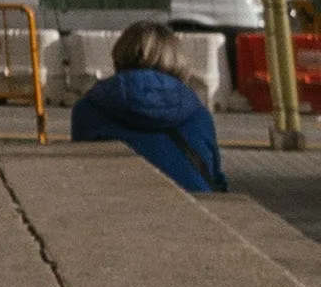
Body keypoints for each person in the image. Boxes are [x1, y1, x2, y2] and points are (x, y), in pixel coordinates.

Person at [70, 27, 230, 195]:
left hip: (113, 206)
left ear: (119, 56)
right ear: (177, 60)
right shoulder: (196, 111)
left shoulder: (88, 107)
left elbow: (82, 171)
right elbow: (215, 177)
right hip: (193, 208)